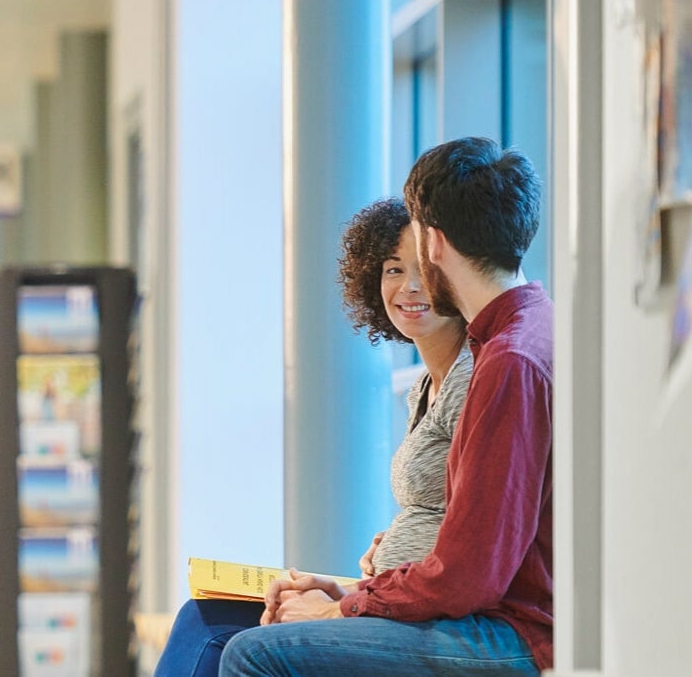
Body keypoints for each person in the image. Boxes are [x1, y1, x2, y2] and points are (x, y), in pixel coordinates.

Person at [221, 136, 552, 676]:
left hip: (508, 633)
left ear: (433, 242)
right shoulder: (522, 335)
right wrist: (360, 592)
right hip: (497, 616)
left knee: (252, 654)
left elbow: (468, 575)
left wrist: (345, 606)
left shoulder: (507, 362)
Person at [154, 197, 473, 677]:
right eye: (391, 269)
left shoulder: (476, 378)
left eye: (423, 270)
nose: (408, 287)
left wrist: (348, 603)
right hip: (389, 594)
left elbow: (479, 531)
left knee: (238, 645)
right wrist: (379, 559)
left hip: (430, 619)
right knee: (203, 618)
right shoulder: (426, 385)